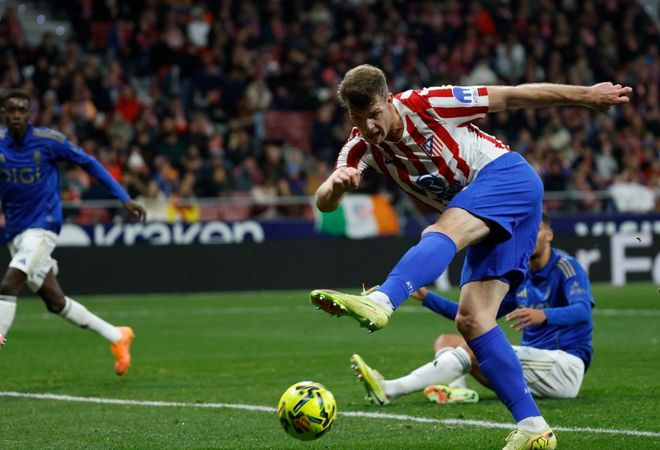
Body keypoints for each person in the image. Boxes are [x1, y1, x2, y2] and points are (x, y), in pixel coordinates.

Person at [309, 65, 630, 449]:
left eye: (374, 114)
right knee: (473, 320)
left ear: (389, 100)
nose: (369, 126)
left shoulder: (429, 104)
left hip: (507, 177)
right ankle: (533, 427)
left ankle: (382, 300)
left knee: (442, 230)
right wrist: (335, 185)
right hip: (491, 215)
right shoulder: (360, 146)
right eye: (358, 119)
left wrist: (586, 95)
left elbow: (511, 95)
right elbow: (324, 202)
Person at [350, 213, 594, 409]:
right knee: (448, 341)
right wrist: (427, 298)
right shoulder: (522, 276)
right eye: (527, 230)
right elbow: (472, 314)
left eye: (537, 230)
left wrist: (544, 315)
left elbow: (583, 310)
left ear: (549, 235)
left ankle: (390, 389)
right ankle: (458, 391)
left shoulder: (566, 267)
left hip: (565, 366)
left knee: (472, 348)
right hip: (533, 365)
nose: (530, 235)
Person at [0, 90, 146, 376]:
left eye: (21, 110)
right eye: (11, 110)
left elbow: (88, 163)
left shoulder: (48, 141)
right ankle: (118, 335)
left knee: (8, 285)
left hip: (43, 227)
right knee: (56, 302)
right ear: (4, 114)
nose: (16, 115)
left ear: (29, 114)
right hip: (15, 231)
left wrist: (123, 196)